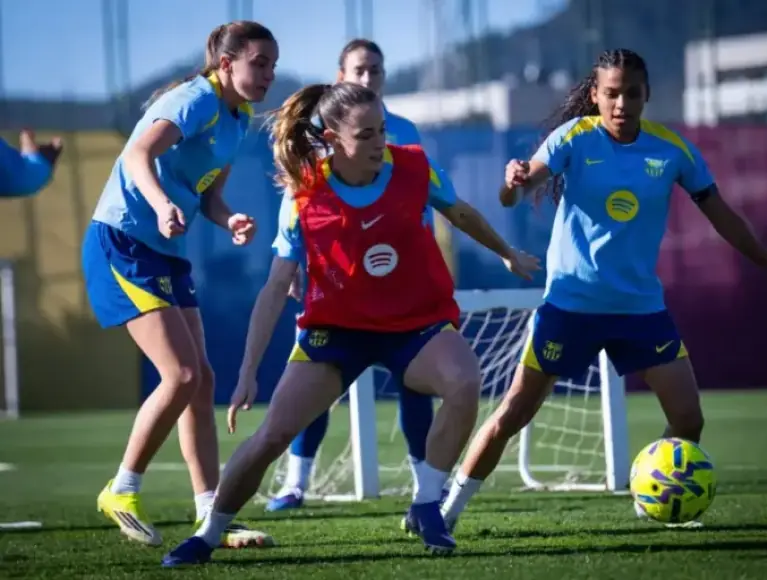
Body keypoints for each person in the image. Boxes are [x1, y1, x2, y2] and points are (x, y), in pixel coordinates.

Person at [438, 48, 767, 532]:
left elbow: (725, 218)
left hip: (640, 311)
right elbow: (514, 190)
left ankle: (651, 495)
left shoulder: (671, 150)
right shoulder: (574, 137)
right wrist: (511, 182)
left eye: (631, 93)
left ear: (647, 95)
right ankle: (445, 513)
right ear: (595, 95)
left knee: (688, 421)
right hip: (570, 307)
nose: (621, 103)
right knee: (512, 413)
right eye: (612, 93)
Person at [161, 81, 540, 567]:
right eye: (365, 134)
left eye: (382, 129)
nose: (380, 141)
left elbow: (461, 212)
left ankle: (426, 505)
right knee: (272, 436)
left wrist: (506, 253)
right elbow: (276, 287)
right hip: (336, 332)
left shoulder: (414, 166)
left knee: (465, 382)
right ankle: (208, 534)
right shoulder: (304, 194)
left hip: (416, 323)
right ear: (332, 138)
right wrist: (248, 372)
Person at [82, 20, 279, 549]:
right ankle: (121, 489)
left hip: (163, 253)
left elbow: (207, 193)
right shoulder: (196, 99)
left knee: (203, 381)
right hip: (121, 242)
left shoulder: (238, 119)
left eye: (272, 66)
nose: (267, 75)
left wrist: (229, 218)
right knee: (182, 374)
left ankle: (211, 515)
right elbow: (136, 155)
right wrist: (162, 203)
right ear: (226, 63)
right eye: (258, 63)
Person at [267, 38, 445, 513]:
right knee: (318, 385)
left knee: (415, 385)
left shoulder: (404, 132)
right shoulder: (317, 140)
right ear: (341, 76)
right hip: (337, 286)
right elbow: (301, 207)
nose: (369, 79)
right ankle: (295, 483)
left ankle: (426, 484)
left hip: (399, 285)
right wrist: (292, 267)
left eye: (377, 71)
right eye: (360, 71)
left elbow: (425, 204)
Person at [0, 129, 63, 197]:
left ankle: (55, 146)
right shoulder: (37, 165)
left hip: (34, 179)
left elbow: (26, 135)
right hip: (33, 176)